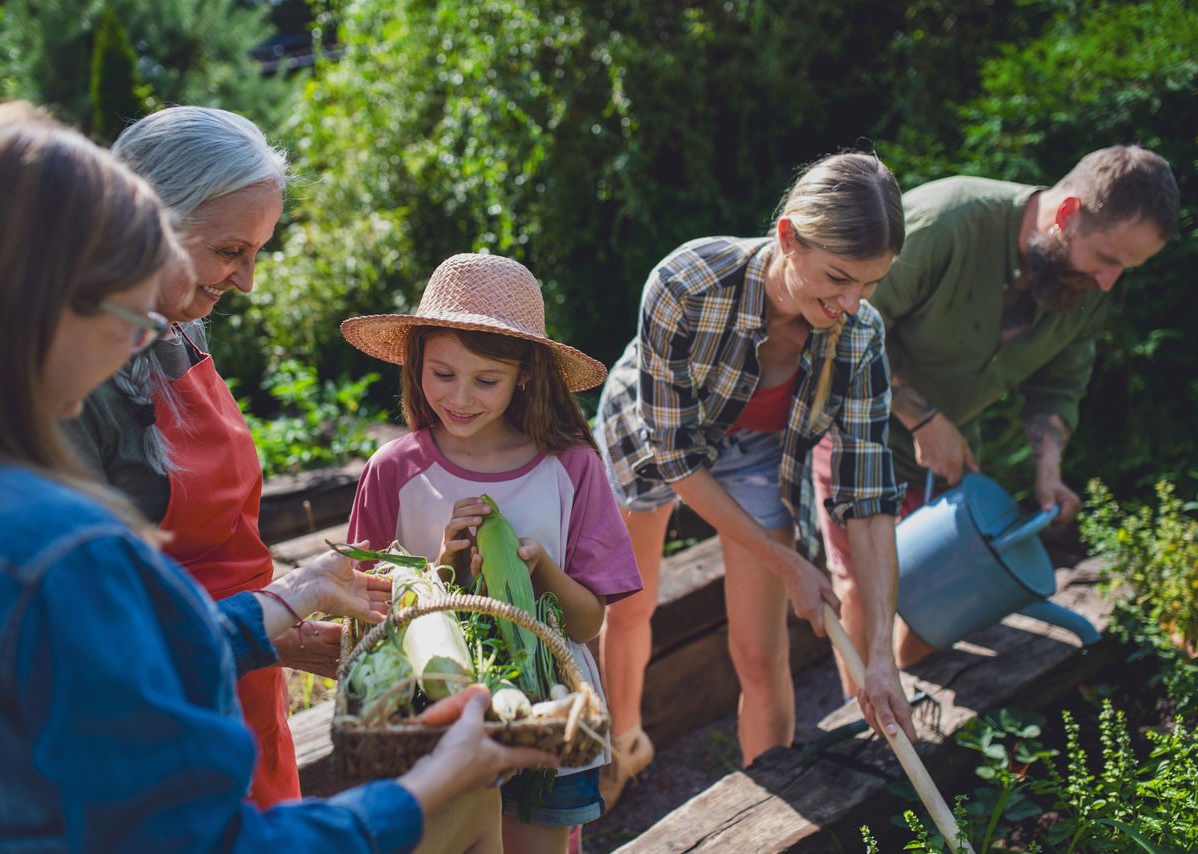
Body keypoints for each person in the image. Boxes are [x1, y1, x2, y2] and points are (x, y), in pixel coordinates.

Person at [0, 101, 559, 853]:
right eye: (132, 315)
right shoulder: (70, 553)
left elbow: (117, 659)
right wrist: (422, 791)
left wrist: (287, 600)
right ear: (52, 300)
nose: (142, 338)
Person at [594, 152, 917, 809]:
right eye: (838, 278)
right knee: (631, 604)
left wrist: (880, 650)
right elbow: (677, 454)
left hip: (759, 452)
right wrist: (785, 561)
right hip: (655, 427)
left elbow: (869, 495)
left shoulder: (860, 334)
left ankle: (764, 815)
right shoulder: (685, 281)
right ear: (788, 238)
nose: (852, 302)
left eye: (871, 284)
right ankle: (621, 743)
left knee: (762, 654)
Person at [812, 145, 1180, 674]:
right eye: (1107, 260)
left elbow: (1058, 386)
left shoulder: (1085, 287)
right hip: (854, 431)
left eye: (1126, 268)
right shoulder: (949, 221)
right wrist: (922, 418)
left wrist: (1048, 471)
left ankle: (907, 703)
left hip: (947, 453)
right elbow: (846, 328)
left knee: (936, 598)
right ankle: (865, 729)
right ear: (1068, 214)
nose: (1109, 282)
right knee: (865, 592)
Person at [340, 253, 644, 854]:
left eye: (486, 381)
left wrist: (539, 570)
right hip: (433, 721)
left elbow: (586, 623)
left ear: (525, 374)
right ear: (416, 362)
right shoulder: (394, 471)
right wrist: (445, 566)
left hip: (546, 714)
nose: (460, 398)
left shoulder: (572, 468)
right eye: (442, 373)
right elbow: (366, 616)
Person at [61, 106, 316, 807]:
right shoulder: (71, 379)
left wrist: (286, 633)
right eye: (231, 251)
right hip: (162, 728)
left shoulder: (178, 324)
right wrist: (289, 606)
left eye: (257, 251)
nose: (247, 281)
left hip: (245, 685)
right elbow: (99, 631)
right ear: (149, 221)